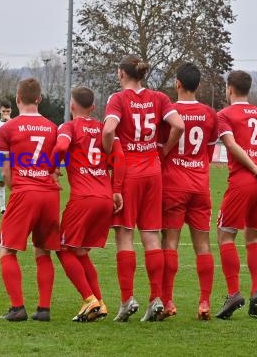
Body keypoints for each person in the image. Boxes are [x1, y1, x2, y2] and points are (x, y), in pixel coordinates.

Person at [102, 54, 185, 322]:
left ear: (121, 74)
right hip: (153, 171)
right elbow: (178, 125)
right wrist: (164, 150)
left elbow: (107, 131)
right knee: (151, 237)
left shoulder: (118, 99)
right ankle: (156, 299)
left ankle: (127, 300)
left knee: (124, 237)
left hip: (129, 172)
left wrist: (110, 156)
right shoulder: (159, 98)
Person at [52, 86, 125, 322]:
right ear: (93, 107)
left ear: (71, 106)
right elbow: (120, 160)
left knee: (62, 249)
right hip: (105, 198)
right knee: (80, 251)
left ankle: (88, 299)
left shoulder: (69, 127)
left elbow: (62, 147)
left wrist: (52, 166)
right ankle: (100, 303)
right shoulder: (106, 130)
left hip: (83, 198)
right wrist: (117, 191)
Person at [215, 70, 257, 319]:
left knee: (225, 236)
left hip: (244, 181)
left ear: (230, 89)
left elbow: (231, 144)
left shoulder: (224, 114)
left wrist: (254, 168)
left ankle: (234, 292)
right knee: (253, 239)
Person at [158, 62, 218, 320]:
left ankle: (168, 301)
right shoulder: (209, 114)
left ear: (177, 84)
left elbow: (163, 147)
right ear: (198, 85)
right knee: (203, 245)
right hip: (200, 185)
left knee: (169, 242)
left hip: (173, 185)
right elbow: (210, 152)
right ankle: (204, 302)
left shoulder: (167, 112)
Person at [0, 78, 60, 322]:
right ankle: (43, 309)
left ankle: (17, 308)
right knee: (43, 250)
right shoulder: (52, 127)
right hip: (50, 194)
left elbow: (5, 172)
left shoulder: (8, 128)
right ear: (39, 99)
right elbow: (55, 167)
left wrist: (18, 188)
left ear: (17, 99)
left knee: (6, 249)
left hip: (25, 192)